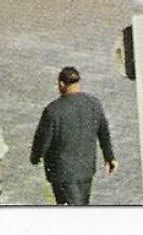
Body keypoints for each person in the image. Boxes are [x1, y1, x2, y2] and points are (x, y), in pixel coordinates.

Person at [30, 66, 117, 205]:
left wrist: (35, 157)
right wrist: (110, 157)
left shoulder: (53, 110)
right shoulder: (94, 104)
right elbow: (103, 132)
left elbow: (42, 139)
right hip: (86, 170)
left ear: (61, 84)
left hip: (62, 173)